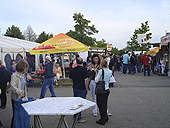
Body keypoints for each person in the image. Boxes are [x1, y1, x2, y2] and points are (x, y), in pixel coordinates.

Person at [69, 57, 89, 123]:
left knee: (76, 102)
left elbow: (70, 78)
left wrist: (74, 82)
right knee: (81, 103)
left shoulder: (73, 70)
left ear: (76, 63)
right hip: (82, 88)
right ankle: (78, 117)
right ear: (82, 62)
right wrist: (86, 87)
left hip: (75, 87)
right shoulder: (84, 70)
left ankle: (76, 115)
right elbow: (86, 79)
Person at [10, 61, 28, 128]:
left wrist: (25, 94)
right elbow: (12, 86)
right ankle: (13, 126)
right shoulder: (14, 75)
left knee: (23, 113)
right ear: (22, 67)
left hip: (23, 97)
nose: (26, 68)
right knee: (15, 114)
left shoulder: (23, 75)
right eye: (25, 67)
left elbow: (24, 85)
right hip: (16, 98)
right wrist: (19, 91)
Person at [94, 59, 112, 125]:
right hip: (106, 88)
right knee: (104, 104)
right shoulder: (110, 71)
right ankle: (105, 117)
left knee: (100, 104)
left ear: (101, 65)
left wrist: (96, 74)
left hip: (101, 90)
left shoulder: (101, 71)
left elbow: (96, 80)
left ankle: (103, 119)